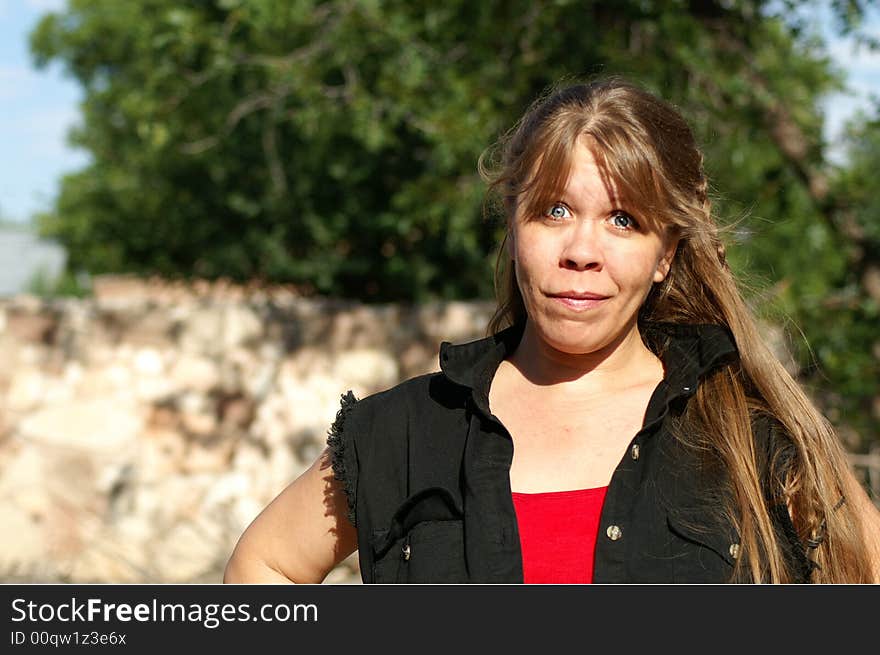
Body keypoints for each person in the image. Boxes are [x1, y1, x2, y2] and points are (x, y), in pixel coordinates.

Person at [223, 77, 880, 584]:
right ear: (513, 228)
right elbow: (265, 567)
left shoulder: (756, 433)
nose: (582, 250)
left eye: (624, 219)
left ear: (667, 254)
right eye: (554, 210)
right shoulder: (404, 433)